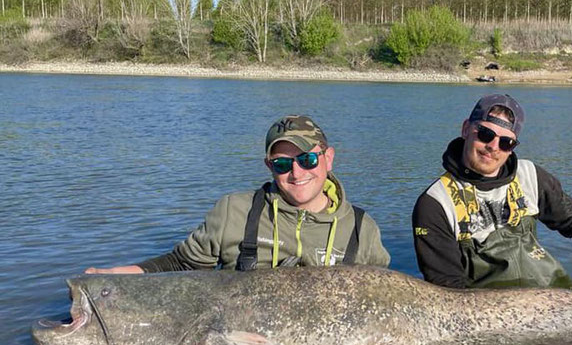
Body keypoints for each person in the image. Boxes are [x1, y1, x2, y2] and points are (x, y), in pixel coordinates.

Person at [411, 94, 572, 289]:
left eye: (506, 142)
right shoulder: (435, 203)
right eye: (486, 133)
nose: (493, 147)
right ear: (466, 129)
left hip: (557, 296)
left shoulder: (530, 176)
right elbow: (448, 290)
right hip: (491, 318)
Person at [87, 114, 390, 274]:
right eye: (282, 164)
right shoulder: (233, 211)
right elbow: (179, 265)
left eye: (307, 159)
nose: (296, 173)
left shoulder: (363, 230)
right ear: (268, 166)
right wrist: (115, 276)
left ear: (328, 158)